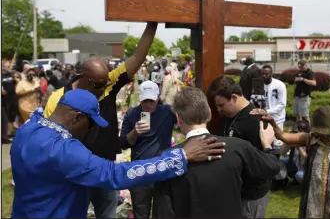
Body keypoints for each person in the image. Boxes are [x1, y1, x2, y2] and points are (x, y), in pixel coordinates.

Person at [11, 89, 225, 218]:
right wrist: (180, 157)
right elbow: (114, 175)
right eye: (91, 124)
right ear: (76, 117)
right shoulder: (63, 149)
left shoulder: (28, 129)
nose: (91, 131)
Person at [44, 22, 160, 218]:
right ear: (82, 77)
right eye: (98, 85)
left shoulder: (107, 84)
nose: (102, 88)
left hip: (105, 169)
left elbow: (137, 57)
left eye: (105, 83)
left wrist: (152, 25)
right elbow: (50, 140)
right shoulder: (58, 98)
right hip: (76, 173)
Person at [152, 87, 281, 218]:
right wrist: (267, 145)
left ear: (178, 118)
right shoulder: (237, 147)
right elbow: (271, 167)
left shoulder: (169, 159)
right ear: (209, 113)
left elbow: (163, 210)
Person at [251, 106, 330, 218]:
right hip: (315, 203)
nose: (325, 135)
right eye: (322, 132)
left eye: (329, 132)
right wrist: (272, 121)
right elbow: (283, 136)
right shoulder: (309, 139)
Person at [206, 76, 273, 218]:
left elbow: (264, 165)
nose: (218, 110)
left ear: (234, 98)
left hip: (250, 195)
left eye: (221, 105)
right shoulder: (228, 116)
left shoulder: (256, 121)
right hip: (232, 191)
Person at [119, 81, 177, 218]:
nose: (148, 105)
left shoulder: (168, 112)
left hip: (162, 170)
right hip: (140, 172)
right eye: (145, 101)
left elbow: (188, 117)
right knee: (141, 213)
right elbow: (122, 143)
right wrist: (135, 132)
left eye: (151, 101)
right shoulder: (132, 114)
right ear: (140, 99)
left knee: (164, 212)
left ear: (158, 98)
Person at [293, 60, 316, 124]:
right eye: (299, 67)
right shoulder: (298, 72)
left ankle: (308, 130)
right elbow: (295, 81)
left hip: (304, 97)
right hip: (297, 96)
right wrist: (295, 80)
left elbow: (314, 83)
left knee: (305, 116)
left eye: (301, 67)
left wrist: (303, 79)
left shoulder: (310, 72)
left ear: (306, 65)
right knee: (297, 114)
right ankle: (299, 129)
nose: (300, 68)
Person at [2, 60, 18, 142]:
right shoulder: (1, 76)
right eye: (7, 66)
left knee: (12, 117)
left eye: (9, 66)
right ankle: (4, 135)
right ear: (2, 67)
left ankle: (8, 134)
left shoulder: (12, 75)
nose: (9, 68)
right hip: (4, 100)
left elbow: (18, 83)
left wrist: (15, 77)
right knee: (5, 117)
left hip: (13, 99)